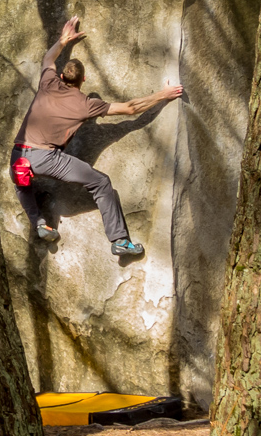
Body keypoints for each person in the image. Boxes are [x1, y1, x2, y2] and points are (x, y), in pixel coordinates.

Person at [10, 17, 183, 257]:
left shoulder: (47, 82)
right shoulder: (86, 105)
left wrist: (63, 40)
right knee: (101, 183)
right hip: (47, 157)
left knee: (21, 178)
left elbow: (48, 59)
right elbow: (131, 108)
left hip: (19, 153)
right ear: (83, 81)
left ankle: (39, 223)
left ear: (61, 77)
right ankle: (120, 240)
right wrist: (162, 95)